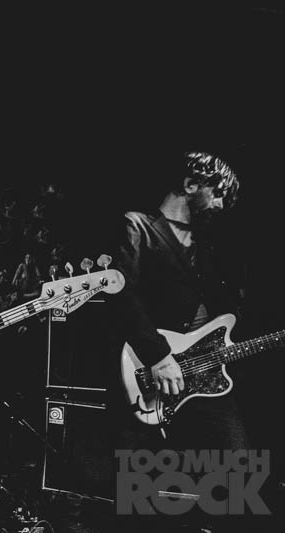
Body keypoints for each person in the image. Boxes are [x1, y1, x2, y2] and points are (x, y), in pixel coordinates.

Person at [110, 151, 250, 532]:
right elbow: (122, 295)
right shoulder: (138, 226)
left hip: (205, 372)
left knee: (235, 468)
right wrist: (158, 356)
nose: (221, 205)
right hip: (154, 372)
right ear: (190, 185)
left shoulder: (208, 245)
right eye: (217, 194)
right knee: (149, 486)